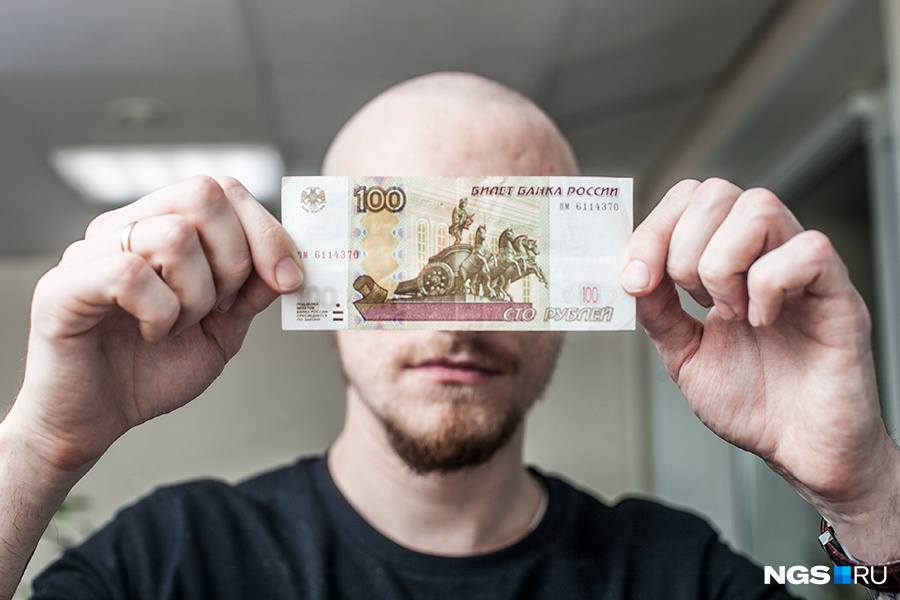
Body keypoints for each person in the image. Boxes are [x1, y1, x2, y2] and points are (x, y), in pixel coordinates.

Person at [1, 71, 898, 599]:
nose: (460, 314)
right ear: (315, 265)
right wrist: (39, 447)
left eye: (515, 255)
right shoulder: (169, 563)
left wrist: (868, 502)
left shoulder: (678, 574)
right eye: (402, 252)